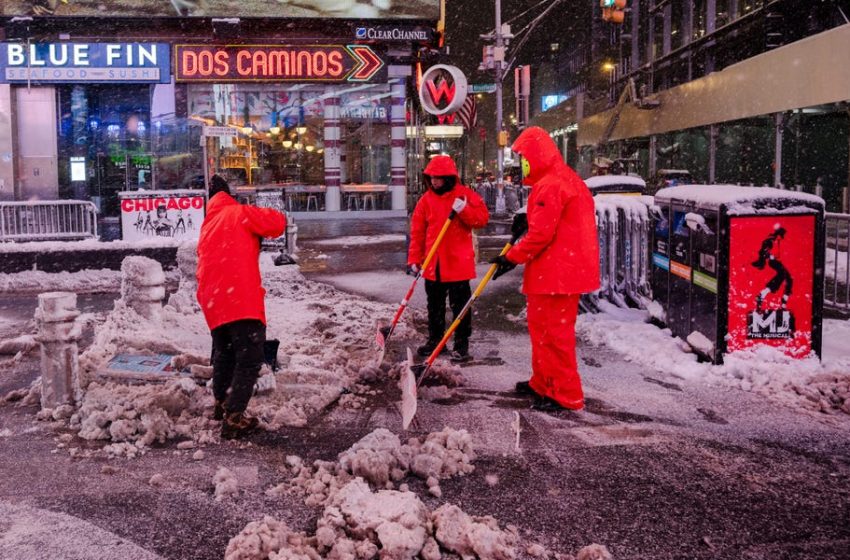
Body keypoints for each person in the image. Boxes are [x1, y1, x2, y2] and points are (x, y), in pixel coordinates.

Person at [490, 127, 600, 412]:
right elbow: (553, 222)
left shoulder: (551, 183)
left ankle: (565, 395)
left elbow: (542, 235)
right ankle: (543, 382)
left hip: (557, 273)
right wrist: (527, 221)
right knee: (542, 331)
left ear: (536, 156)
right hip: (557, 271)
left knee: (555, 335)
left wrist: (511, 258)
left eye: (524, 157)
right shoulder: (564, 179)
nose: (521, 164)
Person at [196, 174, 286, 439]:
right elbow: (277, 224)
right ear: (229, 195)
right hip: (239, 298)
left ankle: (222, 404)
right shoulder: (238, 213)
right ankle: (234, 417)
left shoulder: (207, 225)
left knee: (225, 354)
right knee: (249, 358)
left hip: (213, 301)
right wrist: (263, 210)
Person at [408, 155, 489, 363]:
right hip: (433, 264)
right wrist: (414, 259)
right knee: (434, 306)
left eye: (438, 177)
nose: (434, 181)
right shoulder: (426, 200)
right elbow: (417, 232)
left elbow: (481, 219)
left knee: (460, 307)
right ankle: (436, 341)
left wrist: (464, 210)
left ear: (449, 178)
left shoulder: (464, 196)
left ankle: (461, 345)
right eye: (431, 177)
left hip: (457, 264)